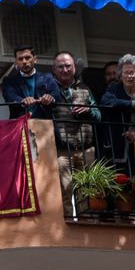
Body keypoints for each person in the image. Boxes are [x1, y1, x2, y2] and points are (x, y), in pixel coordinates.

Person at [50, 51, 99, 192]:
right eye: (60, 67)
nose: (65, 70)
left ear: (74, 68)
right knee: (65, 192)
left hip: (86, 149)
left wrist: (88, 111)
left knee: (87, 193)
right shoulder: (49, 89)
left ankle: (84, 216)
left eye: (68, 66)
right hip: (62, 151)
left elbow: (99, 115)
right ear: (54, 70)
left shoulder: (84, 89)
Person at [0, 45, 58, 120]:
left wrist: (50, 98)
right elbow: (10, 97)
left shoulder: (48, 77)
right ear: (16, 62)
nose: (24, 61)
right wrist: (22, 101)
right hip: (20, 126)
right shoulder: (9, 81)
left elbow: (56, 96)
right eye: (20, 59)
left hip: (45, 125)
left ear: (35, 59)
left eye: (27, 58)